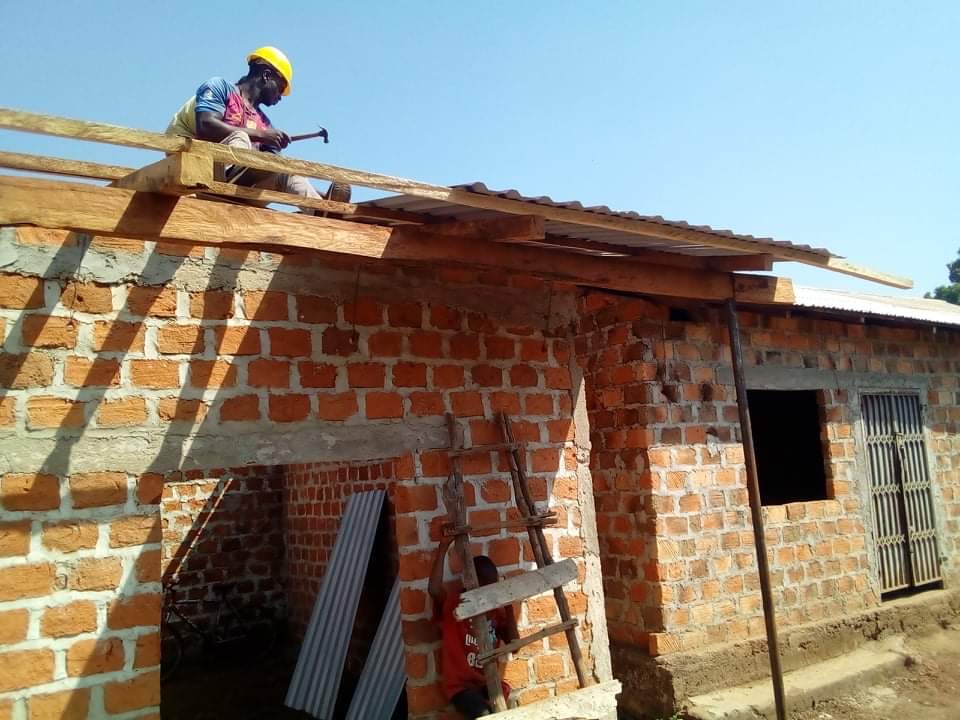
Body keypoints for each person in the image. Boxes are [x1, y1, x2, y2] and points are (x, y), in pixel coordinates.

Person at [166, 46, 350, 206]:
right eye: (280, 88)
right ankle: (228, 180)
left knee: (286, 171)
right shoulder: (220, 88)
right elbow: (206, 125)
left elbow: (275, 165)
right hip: (194, 170)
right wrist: (261, 136)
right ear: (266, 75)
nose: (280, 97)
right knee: (241, 137)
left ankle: (321, 209)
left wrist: (320, 195)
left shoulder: (263, 122)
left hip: (240, 188)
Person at [429, 536, 519, 719]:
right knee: (484, 715)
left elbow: (514, 645)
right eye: (484, 587)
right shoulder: (454, 605)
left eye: (492, 587)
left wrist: (508, 604)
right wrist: (443, 547)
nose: (489, 593)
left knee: (504, 710)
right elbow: (434, 590)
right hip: (461, 687)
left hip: (487, 683)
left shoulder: (494, 611)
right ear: (469, 584)